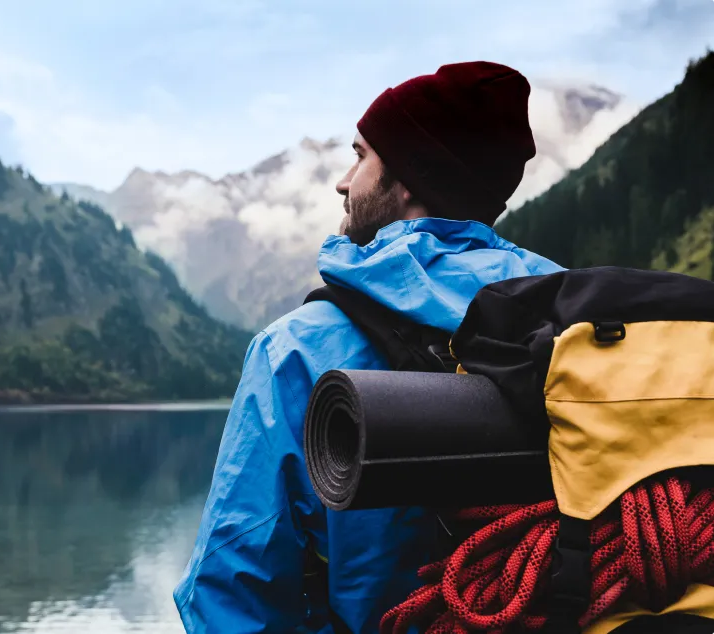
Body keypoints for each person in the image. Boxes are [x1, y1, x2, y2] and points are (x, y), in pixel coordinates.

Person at [173, 61, 566, 634]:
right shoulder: (570, 323)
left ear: (407, 182)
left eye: (360, 157)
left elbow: (232, 593)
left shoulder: (296, 351)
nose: (344, 182)